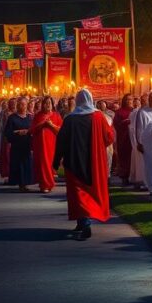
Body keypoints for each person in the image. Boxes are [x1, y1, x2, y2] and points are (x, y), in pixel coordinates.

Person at [54, 89, 115, 239]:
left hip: (74, 160)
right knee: (89, 191)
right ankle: (83, 222)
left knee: (78, 193)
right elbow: (109, 137)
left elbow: (61, 140)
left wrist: (56, 159)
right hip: (93, 161)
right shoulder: (98, 116)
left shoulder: (70, 119)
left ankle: (85, 223)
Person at [133, 90, 152, 195]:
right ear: (149, 100)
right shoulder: (143, 111)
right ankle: (151, 186)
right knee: (150, 164)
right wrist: (139, 142)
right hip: (148, 143)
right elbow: (139, 129)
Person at [31, 96, 63, 193]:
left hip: (51, 144)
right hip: (40, 145)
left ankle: (49, 183)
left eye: (50, 103)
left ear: (52, 105)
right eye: (46, 103)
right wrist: (42, 124)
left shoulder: (56, 116)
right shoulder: (38, 116)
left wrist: (51, 125)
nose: (48, 105)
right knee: (42, 164)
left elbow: (60, 131)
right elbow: (32, 130)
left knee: (50, 164)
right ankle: (44, 184)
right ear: (42, 104)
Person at [5, 98, 34, 192]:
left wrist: (28, 132)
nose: (23, 106)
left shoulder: (29, 118)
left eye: (24, 104)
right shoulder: (12, 118)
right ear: (17, 105)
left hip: (26, 144)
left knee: (26, 164)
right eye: (20, 104)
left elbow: (33, 129)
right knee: (18, 165)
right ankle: (20, 184)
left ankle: (25, 183)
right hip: (16, 145)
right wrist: (18, 132)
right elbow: (8, 132)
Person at [113, 94, 134, 185]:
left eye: (130, 99)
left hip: (132, 138)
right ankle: (124, 176)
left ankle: (132, 176)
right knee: (124, 157)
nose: (129, 101)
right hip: (123, 138)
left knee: (132, 157)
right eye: (127, 100)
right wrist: (123, 123)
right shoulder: (119, 112)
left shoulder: (135, 111)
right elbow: (116, 124)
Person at [0, 98, 16, 182]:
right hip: (7, 136)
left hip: (17, 137)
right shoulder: (4, 112)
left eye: (14, 103)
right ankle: (7, 174)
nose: (13, 105)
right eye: (12, 103)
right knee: (7, 155)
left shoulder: (18, 112)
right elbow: (0, 124)